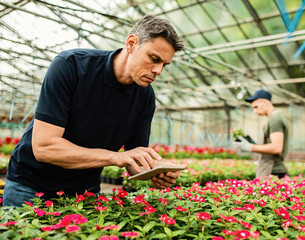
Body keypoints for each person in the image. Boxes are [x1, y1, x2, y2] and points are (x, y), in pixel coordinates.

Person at [3, 15, 184, 208]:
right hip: (30, 186)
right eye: (154, 58)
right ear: (131, 43)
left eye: (164, 64)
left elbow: (132, 161)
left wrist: (154, 170)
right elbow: (44, 148)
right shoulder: (71, 66)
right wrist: (115, 157)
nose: (158, 71)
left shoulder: (145, 98)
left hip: (84, 193)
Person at [233, 89, 289, 179]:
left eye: (256, 107)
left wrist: (250, 147)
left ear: (265, 102)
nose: (255, 111)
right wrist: (251, 143)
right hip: (273, 168)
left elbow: (277, 148)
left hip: (273, 170)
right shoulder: (274, 118)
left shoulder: (275, 119)